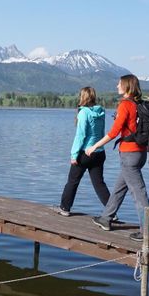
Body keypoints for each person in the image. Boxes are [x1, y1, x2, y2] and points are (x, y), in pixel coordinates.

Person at [85, 74, 149, 242]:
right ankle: (106, 219)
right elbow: (148, 134)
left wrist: (95, 146)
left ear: (126, 86)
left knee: (139, 193)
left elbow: (114, 132)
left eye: (119, 83)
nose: (117, 86)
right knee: (120, 187)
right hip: (141, 154)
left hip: (129, 155)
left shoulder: (125, 105)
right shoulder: (141, 105)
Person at [53, 86, 110, 216]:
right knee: (99, 184)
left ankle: (65, 208)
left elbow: (80, 135)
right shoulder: (101, 111)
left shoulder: (83, 113)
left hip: (85, 153)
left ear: (82, 97)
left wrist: (74, 154)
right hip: (99, 152)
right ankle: (111, 211)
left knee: (72, 181)